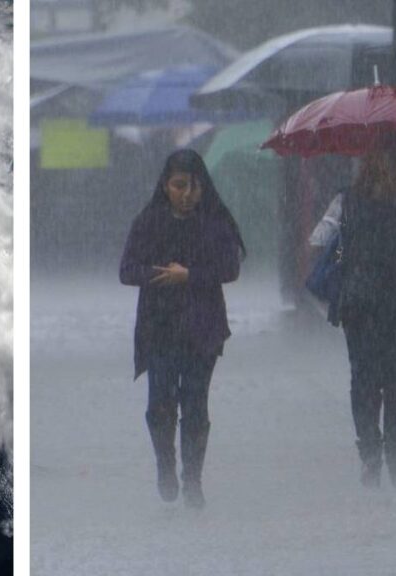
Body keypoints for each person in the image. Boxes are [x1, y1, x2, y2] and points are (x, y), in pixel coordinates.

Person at [308, 132, 396, 488]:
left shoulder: (347, 200)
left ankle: (371, 453)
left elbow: (318, 239)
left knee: (364, 379)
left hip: (360, 303)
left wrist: (348, 244)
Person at [119, 149, 245, 508]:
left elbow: (230, 269)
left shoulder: (214, 223)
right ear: (165, 185)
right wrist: (161, 275)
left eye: (193, 187)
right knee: (160, 404)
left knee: (195, 404)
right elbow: (127, 270)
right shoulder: (148, 222)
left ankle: (193, 478)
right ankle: (165, 464)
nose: (187, 194)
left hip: (201, 328)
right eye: (179, 185)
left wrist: (190, 276)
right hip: (158, 327)